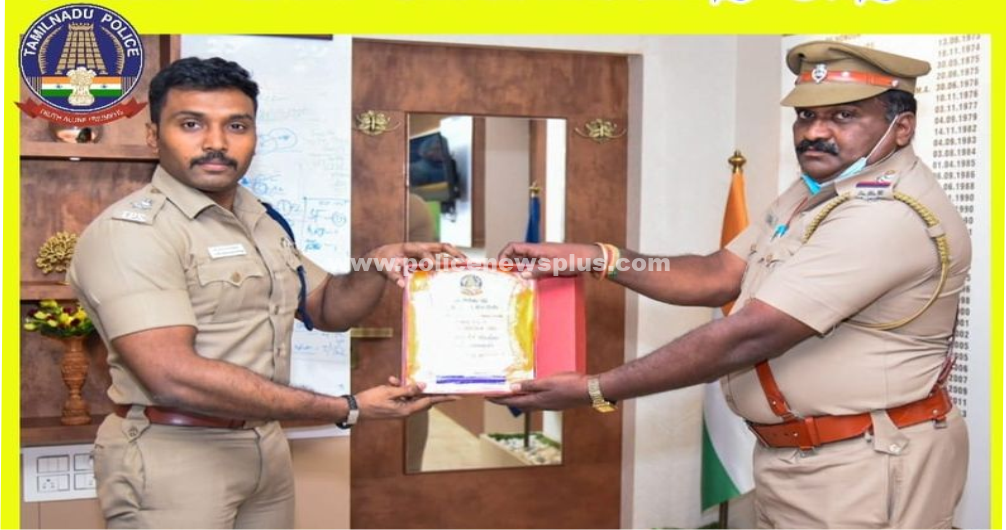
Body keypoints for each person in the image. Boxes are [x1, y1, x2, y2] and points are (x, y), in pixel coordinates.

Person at [493, 41, 970, 530]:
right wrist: (600, 258)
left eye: (843, 116)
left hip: (864, 466)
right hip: (808, 459)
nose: (814, 132)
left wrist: (596, 389)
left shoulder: (885, 216)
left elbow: (748, 335)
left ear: (901, 127)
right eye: (806, 116)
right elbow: (718, 272)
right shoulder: (818, 191)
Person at [67, 57, 460, 530]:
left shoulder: (259, 219)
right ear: (154, 136)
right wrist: (346, 407)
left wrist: (376, 264)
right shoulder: (132, 232)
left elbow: (327, 307)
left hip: (264, 446)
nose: (216, 142)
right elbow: (172, 375)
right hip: (175, 453)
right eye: (191, 124)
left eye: (236, 125)